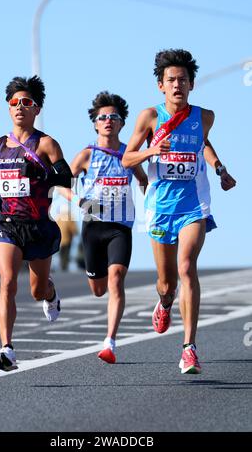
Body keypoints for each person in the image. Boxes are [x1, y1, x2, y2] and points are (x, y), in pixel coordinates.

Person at [122, 49, 236, 374]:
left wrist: (220, 168)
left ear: (192, 85)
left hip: (193, 204)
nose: (177, 85)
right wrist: (152, 150)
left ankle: (189, 348)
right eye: (171, 80)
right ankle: (165, 301)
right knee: (167, 281)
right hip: (160, 207)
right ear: (161, 85)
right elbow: (126, 159)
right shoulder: (150, 118)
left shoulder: (205, 117)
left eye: (183, 80)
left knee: (187, 267)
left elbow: (204, 142)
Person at [0, 75, 73, 371]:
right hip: (7, 223)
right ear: (8, 108)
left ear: (37, 108)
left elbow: (66, 176)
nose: (20, 107)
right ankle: (7, 348)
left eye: (26, 102)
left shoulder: (46, 143)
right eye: (14, 102)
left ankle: (50, 292)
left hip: (37, 226)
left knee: (36, 290)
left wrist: (44, 175)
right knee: (7, 282)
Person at [61, 91, 148, 364]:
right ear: (95, 123)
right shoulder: (87, 155)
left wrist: (151, 209)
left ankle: (110, 341)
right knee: (99, 289)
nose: (108, 121)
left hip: (120, 227)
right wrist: (80, 200)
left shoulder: (129, 155)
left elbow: (144, 181)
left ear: (122, 124)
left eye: (114, 117)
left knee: (116, 280)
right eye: (103, 117)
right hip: (93, 227)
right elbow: (62, 185)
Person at [56, 205, 78, 271]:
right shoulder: (69, 217)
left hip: (59, 238)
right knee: (66, 252)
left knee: (61, 252)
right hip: (67, 238)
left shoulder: (58, 217)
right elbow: (72, 227)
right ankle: (64, 266)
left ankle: (62, 265)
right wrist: (75, 233)